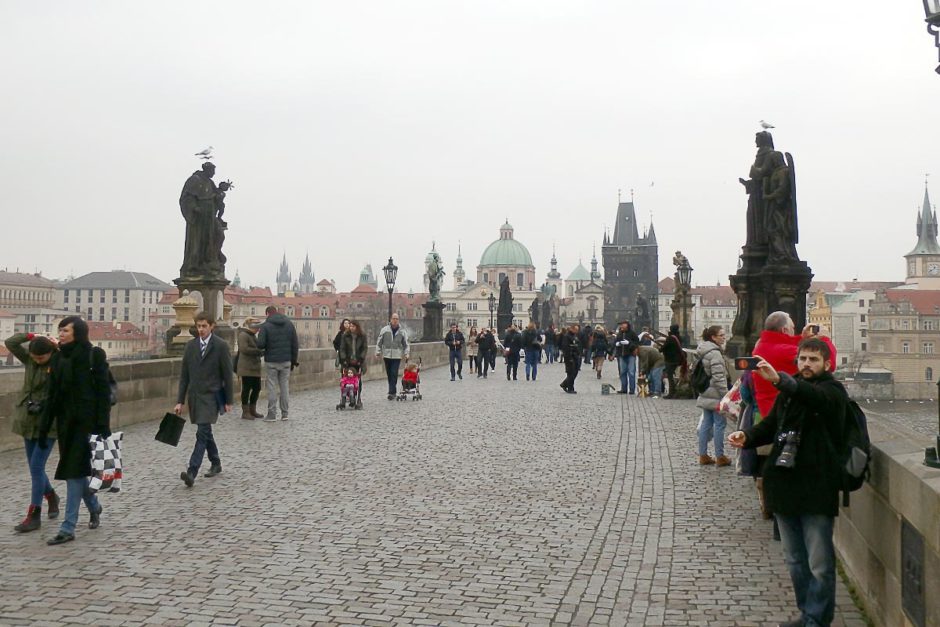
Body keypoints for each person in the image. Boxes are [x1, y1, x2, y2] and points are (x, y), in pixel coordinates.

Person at [729, 338, 850, 627]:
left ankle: (818, 620)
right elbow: (773, 425)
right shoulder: (791, 389)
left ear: (827, 364)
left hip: (816, 485)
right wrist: (748, 437)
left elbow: (815, 398)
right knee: (795, 560)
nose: (807, 364)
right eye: (803, 359)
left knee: (819, 562)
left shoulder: (833, 392)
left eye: (814, 360)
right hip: (784, 484)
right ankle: (807, 614)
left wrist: (781, 381)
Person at [37, 316, 109, 545]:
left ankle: (68, 527)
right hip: (66, 424)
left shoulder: (93, 355)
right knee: (76, 471)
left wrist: (103, 425)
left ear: (77, 332)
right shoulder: (58, 359)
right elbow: (52, 396)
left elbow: (103, 392)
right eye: (60, 330)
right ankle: (94, 506)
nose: (61, 333)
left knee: (74, 473)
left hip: (87, 424)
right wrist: (44, 427)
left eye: (66, 330)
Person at [5, 332, 59, 533]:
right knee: (34, 466)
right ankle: (51, 496)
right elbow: (10, 342)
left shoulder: (58, 363)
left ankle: (34, 514)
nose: (37, 360)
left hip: (48, 422)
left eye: (41, 357)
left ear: (50, 353)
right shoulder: (29, 359)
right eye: (35, 357)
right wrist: (32, 335)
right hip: (27, 418)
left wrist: (58, 347)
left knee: (37, 466)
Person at [176, 312, 234, 488]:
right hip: (195, 396)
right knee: (205, 431)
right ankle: (215, 462)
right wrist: (180, 400)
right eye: (198, 326)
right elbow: (184, 376)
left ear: (212, 326)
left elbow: (227, 375)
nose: (200, 330)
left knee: (201, 433)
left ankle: (192, 471)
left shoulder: (221, 346)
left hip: (211, 395)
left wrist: (228, 400)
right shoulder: (191, 346)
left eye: (204, 326)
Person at [753, 312, 837, 420]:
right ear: (785, 330)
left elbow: (782, 344)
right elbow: (829, 364)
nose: (794, 330)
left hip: (768, 409)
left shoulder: (761, 346)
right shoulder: (784, 351)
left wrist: (802, 338)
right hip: (787, 410)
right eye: (792, 328)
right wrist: (826, 339)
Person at [695, 325, 730, 466]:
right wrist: (726, 395)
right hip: (715, 393)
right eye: (721, 335)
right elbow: (719, 377)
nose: (724, 337)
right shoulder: (715, 353)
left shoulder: (703, 350)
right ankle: (720, 456)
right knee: (720, 424)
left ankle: (703, 455)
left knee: (706, 423)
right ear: (713, 337)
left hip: (705, 390)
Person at [257, 305, 299, 422]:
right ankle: (285, 414)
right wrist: (293, 361)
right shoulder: (289, 324)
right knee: (284, 387)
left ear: (267, 314)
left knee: (272, 387)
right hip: (286, 360)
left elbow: (260, 344)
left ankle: (271, 415)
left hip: (271, 361)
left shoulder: (265, 326)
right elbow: (295, 344)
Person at [376, 312, 409, 399]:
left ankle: (391, 392)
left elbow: (406, 344)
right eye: (393, 319)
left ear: (398, 320)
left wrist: (406, 353)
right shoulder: (384, 330)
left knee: (394, 373)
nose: (395, 320)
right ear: (391, 320)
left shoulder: (402, 331)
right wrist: (378, 351)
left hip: (397, 355)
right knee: (389, 374)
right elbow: (379, 341)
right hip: (386, 355)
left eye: (396, 319)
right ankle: (392, 390)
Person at [236, 318, 264, 420]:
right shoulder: (243, 335)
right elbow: (244, 349)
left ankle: (252, 409)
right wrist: (258, 351)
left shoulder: (252, 336)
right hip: (246, 367)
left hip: (254, 367)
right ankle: (245, 411)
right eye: (257, 327)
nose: (258, 330)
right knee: (246, 389)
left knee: (257, 388)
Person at [613, 320, 640, 394]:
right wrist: (617, 344)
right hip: (622, 355)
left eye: (623, 326)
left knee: (631, 372)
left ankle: (632, 389)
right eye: (621, 326)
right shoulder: (619, 334)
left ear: (627, 326)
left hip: (630, 355)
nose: (621, 327)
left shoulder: (632, 333)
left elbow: (637, 343)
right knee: (622, 372)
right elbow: (615, 342)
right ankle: (624, 389)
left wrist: (629, 343)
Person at [660, 324, 686, 399]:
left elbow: (664, 347)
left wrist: (660, 348)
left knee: (670, 376)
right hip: (678, 360)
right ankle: (674, 391)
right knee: (673, 375)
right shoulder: (679, 337)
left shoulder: (670, 338)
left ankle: (672, 393)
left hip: (670, 360)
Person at [559, 323, 582, 394]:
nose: (576, 331)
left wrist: (579, 352)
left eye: (577, 330)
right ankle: (570, 388)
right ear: (572, 329)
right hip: (570, 356)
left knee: (575, 372)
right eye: (575, 329)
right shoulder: (567, 336)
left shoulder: (574, 336)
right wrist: (568, 357)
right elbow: (566, 348)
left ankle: (564, 384)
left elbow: (577, 345)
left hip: (575, 356)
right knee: (570, 373)